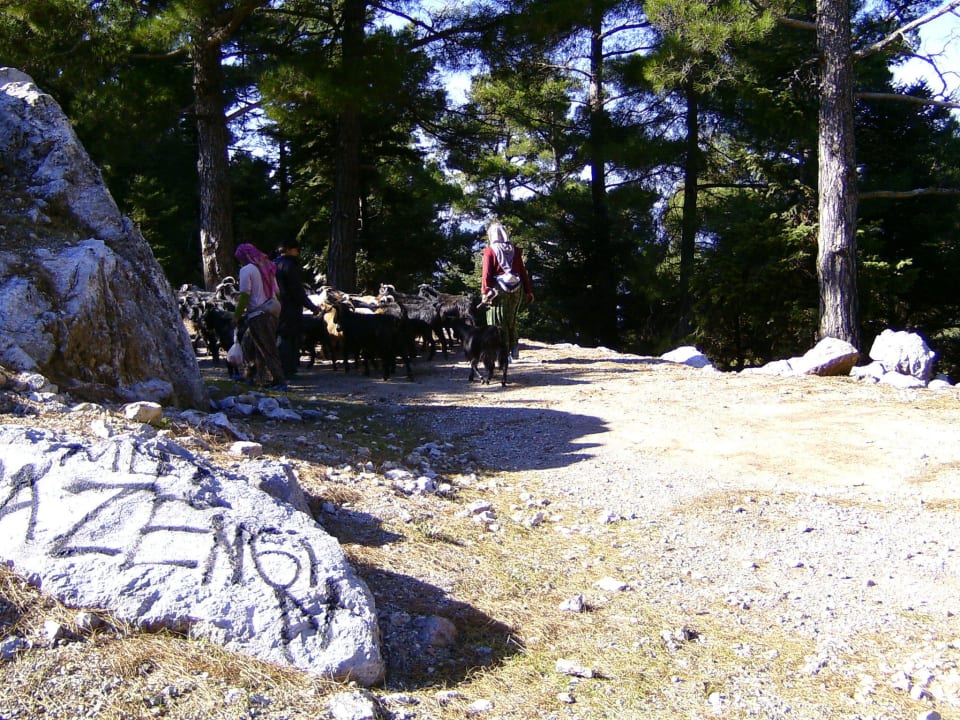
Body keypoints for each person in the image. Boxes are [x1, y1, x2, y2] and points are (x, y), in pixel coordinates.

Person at [234, 243, 286, 390]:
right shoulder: (267, 267)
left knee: (266, 348)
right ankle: (252, 376)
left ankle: (279, 381)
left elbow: (244, 295)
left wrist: (236, 316)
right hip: (272, 310)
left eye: (240, 259)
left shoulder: (247, 270)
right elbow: (277, 292)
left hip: (258, 314)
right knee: (250, 344)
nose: (240, 262)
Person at [481, 221, 534, 361]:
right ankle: (514, 350)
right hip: (517, 288)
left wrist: (485, 292)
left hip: (499, 289)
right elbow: (523, 271)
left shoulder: (489, 251)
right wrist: (529, 291)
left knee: (497, 321)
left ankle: (502, 354)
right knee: (512, 320)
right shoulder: (515, 250)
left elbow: (486, 274)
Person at [274, 239, 320, 378]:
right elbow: (297, 290)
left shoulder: (273, 264)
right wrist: (312, 307)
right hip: (291, 307)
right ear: (289, 249)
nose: (297, 252)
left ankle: (280, 367)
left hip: (275, 305)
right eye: (296, 249)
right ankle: (289, 369)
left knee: (280, 336)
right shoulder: (290, 265)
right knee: (291, 338)